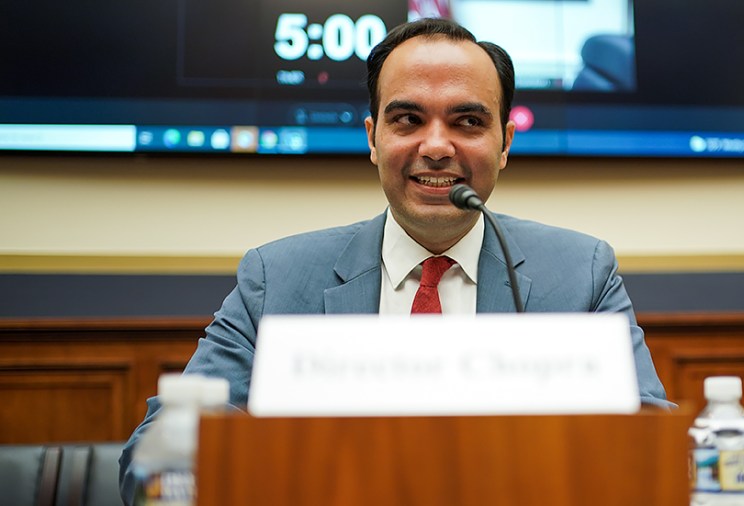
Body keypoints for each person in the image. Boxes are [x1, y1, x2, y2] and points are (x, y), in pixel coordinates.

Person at [118, 17, 674, 504]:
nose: (436, 146)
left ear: (505, 142)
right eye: (407, 120)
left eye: (467, 122)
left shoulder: (580, 273)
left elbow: (658, 452)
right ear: (373, 138)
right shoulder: (277, 278)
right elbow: (153, 456)